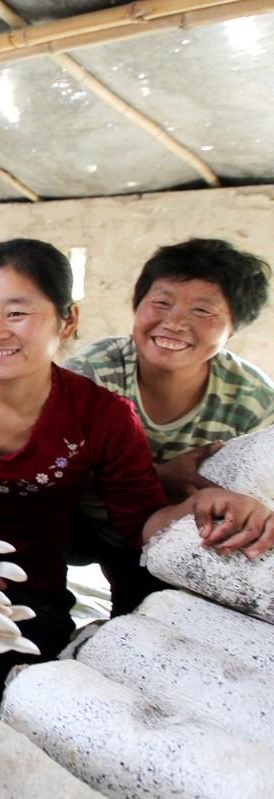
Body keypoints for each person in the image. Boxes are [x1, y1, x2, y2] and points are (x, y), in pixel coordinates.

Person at [0, 238, 274, 715]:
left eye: (17, 314)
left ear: (68, 320)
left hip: (29, 586)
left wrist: (198, 505)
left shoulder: (103, 414)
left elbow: (140, 525)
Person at [65, 239, 274, 611]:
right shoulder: (94, 372)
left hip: (165, 532)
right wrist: (159, 476)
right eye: (161, 303)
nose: (175, 322)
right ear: (137, 306)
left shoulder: (253, 402)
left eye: (202, 311)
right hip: (77, 519)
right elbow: (51, 472)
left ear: (233, 329)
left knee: (147, 613)